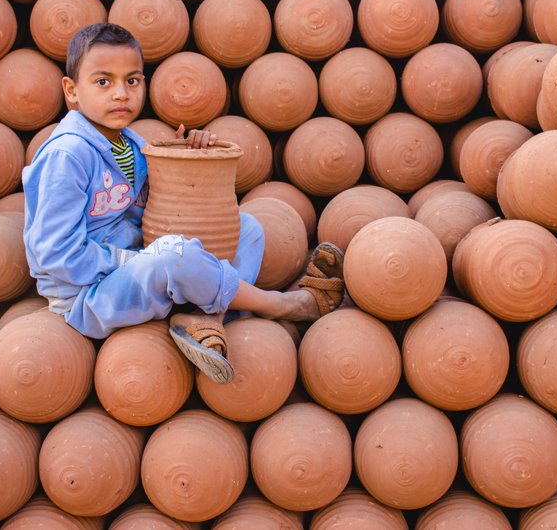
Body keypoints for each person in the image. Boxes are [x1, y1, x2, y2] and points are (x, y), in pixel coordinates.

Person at [23, 22, 345, 384]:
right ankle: (281, 305)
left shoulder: (130, 143)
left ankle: (209, 318)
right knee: (175, 254)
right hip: (90, 297)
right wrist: (134, 259)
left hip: (138, 268)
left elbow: (163, 208)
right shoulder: (67, 155)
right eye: (103, 82)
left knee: (248, 228)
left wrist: (188, 156)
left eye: (132, 80)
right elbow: (53, 253)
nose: (121, 94)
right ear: (71, 91)